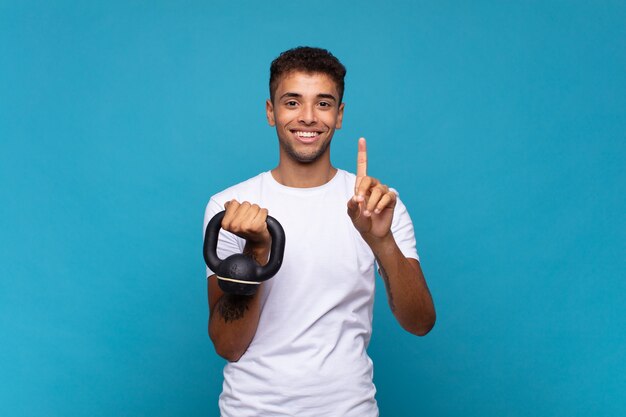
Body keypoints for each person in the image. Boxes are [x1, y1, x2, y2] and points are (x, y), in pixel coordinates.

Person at [203, 46, 436, 417]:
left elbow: (420, 322)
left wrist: (381, 241)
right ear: (270, 112)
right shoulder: (230, 207)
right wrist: (257, 253)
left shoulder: (376, 204)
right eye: (292, 102)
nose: (308, 118)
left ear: (339, 115)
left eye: (323, 104)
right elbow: (228, 345)